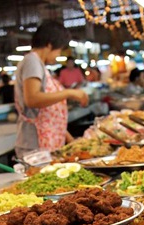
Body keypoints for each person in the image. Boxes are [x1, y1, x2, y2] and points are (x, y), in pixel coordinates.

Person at [14, 20, 89, 159]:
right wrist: (68, 92)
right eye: (59, 50)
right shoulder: (32, 61)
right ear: (49, 45)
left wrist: (71, 140)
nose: (58, 55)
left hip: (45, 143)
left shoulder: (40, 65)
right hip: (35, 145)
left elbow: (49, 115)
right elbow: (32, 99)